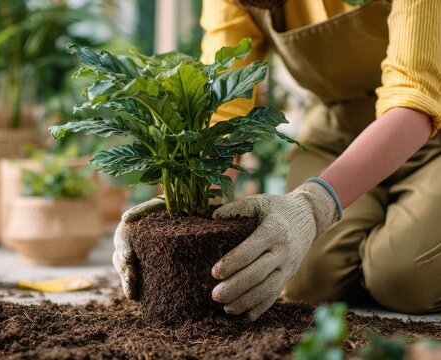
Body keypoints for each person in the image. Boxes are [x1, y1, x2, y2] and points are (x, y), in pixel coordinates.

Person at [113, 0, 441, 321]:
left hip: (428, 129)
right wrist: (186, 201)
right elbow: (224, 108)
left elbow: (415, 99)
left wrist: (314, 206)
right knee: (307, 280)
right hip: (336, 132)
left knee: (402, 278)